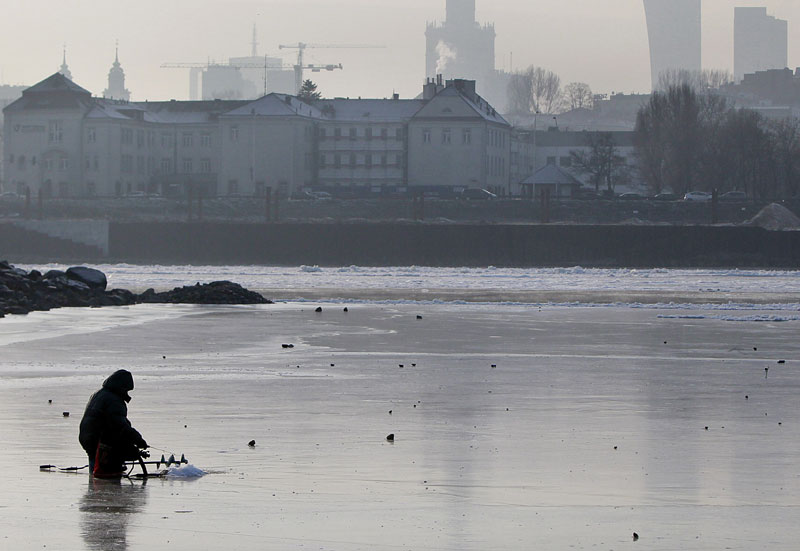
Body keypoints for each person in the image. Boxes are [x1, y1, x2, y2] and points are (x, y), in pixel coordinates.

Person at [79, 370, 148, 478]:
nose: (127, 393)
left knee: (95, 462)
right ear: (121, 387)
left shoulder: (99, 394)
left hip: (86, 436)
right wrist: (138, 440)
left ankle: (95, 483)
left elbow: (117, 421)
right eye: (126, 389)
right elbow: (120, 425)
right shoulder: (114, 400)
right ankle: (105, 483)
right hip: (100, 440)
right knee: (104, 469)